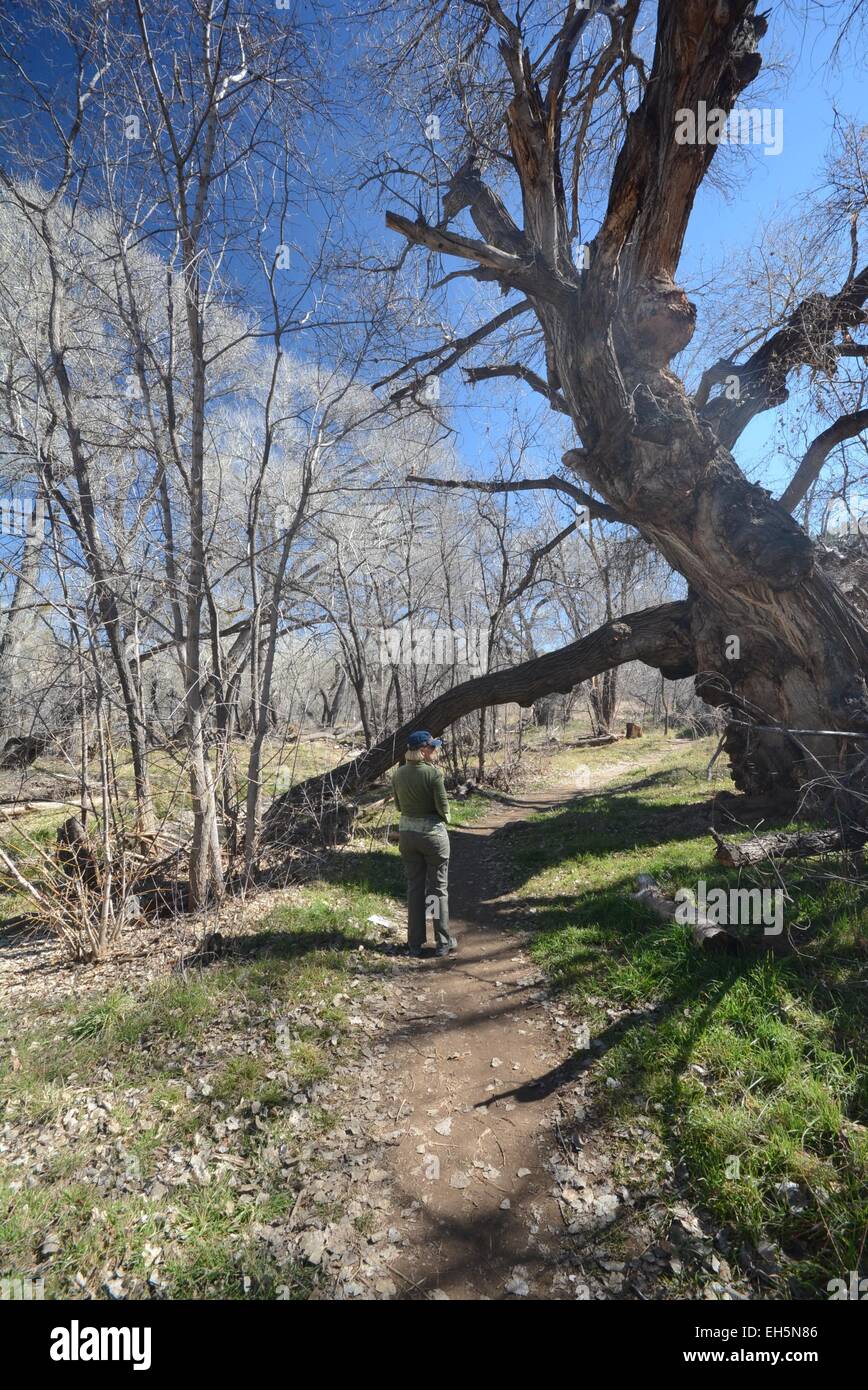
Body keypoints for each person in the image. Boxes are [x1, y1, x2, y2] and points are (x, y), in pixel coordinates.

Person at [391, 731, 457, 958]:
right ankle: (442, 942)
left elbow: (398, 806)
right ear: (423, 750)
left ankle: (415, 943)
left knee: (415, 888)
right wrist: (446, 817)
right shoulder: (433, 774)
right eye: (433, 747)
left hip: (407, 835)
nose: (436, 751)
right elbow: (443, 808)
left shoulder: (398, 774)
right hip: (432, 837)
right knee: (438, 889)